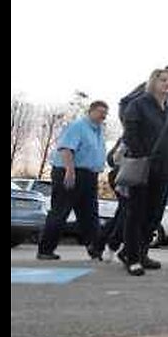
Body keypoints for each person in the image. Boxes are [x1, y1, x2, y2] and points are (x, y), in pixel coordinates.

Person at [120, 69, 168, 275]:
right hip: (143, 168)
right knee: (136, 213)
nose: (167, 84)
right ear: (153, 82)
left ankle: (142, 252)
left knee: (154, 215)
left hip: (165, 171)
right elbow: (130, 133)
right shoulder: (138, 105)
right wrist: (142, 155)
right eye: (163, 80)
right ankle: (132, 258)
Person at [37, 101, 109, 261]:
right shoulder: (78, 126)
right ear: (90, 111)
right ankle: (45, 250)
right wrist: (70, 171)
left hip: (89, 176)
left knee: (90, 214)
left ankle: (94, 248)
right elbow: (66, 148)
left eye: (105, 113)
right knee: (60, 211)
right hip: (70, 171)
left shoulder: (98, 131)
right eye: (100, 112)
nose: (103, 115)